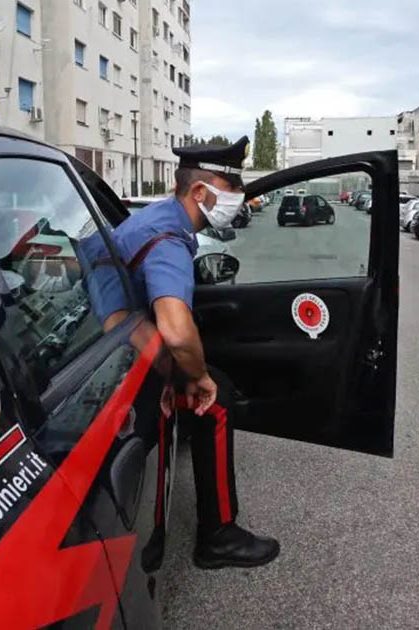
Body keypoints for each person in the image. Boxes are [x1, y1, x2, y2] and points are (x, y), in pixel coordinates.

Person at [78, 137, 280, 569]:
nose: (236, 202)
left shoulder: (156, 217)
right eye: (230, 192)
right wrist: (196, 376)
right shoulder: (169, 237)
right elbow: (175, 329)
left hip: (102, 343)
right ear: (200, 193)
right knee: (216, 402)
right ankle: (218, 536)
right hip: (115, 360)